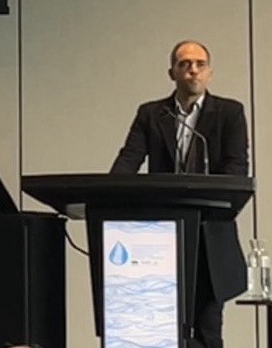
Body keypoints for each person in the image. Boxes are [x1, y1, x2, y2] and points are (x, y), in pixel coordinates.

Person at [110, 40, 249, 348]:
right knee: (157, 332)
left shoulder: (230, 113)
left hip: (209, 239)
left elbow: (236, 170)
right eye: (184, 64)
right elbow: (128, 161)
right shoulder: (151, 114)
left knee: (207, 333)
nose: (192, 71)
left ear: (210, 73)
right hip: (158, 239)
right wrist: (110, 195)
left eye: (200, 64)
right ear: (172, 73)